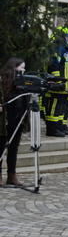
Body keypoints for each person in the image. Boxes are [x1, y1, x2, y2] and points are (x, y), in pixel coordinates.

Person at [0, 58, 28, 186]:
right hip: (3, 120)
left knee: (13, 148)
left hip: (17, 120)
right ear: (13, 68)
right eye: (21, 68)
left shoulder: (22, 83)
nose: (23, 71)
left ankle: (12, 175)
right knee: (1, 147)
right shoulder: (3, 81)